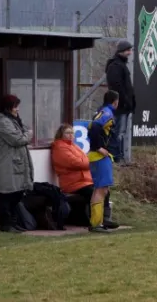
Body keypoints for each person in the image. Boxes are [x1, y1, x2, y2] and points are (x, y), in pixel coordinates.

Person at [51, 124, 118, 229]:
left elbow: (85, 160)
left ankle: (104, 218)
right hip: (72, 183)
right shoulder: (59, 147)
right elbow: (75, 163)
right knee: (93, 192)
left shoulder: (74, 146)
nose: (70, 135)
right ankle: (95, 220)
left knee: (104, 190)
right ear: (61, 134)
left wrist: (87, 161)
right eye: (67, 133)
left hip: (83, 180)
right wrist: (90, 162)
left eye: (72, 133)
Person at [0, 95, 34, 233]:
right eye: (15, 106)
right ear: (7, 107)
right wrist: (28, 135)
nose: (17, 109)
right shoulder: (3, 122)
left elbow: (24, 132)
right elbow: (17, 139)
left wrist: (25, 134)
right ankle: (5, 224)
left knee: (17, 193)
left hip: (16, 163)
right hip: (7, 164)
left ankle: (13, 222)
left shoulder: (14, 120)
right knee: (7, 194)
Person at [86, 90, 119, 233]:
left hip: (98, 156)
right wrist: (98, 147)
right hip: (99, 157)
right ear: (115, 101)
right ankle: (95, 223)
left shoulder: (102, 111)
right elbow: (94, 128)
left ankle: (98, 221)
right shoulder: (107, 113)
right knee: (100, 189)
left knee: (102, 189)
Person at [105, 40, 135, 163]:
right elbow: (117, 86)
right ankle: (116, 157)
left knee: (121, 132)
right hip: (119, 106)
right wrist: (125, 101)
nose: (130, 53)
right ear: (121, 51)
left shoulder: (120, 65)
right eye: (128, 50)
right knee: (118, 132)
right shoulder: (115, 66)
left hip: (123, 105)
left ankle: (119, 156)